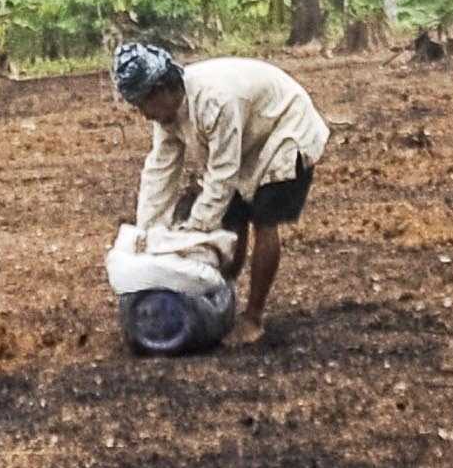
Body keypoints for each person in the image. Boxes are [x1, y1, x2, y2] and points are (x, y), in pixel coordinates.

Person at [113, 42, 329, 345]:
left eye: (142, 105)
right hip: (248, 139)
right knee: (232, 218)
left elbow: (222, 175)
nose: (143, 115)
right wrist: (148, 234)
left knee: (264, 219)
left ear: (160, 89)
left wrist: (194, 232)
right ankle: (218, 300)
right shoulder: (168, 114)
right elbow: (159, 172)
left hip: (285, 128)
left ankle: (253, 318)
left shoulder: (216, 100)